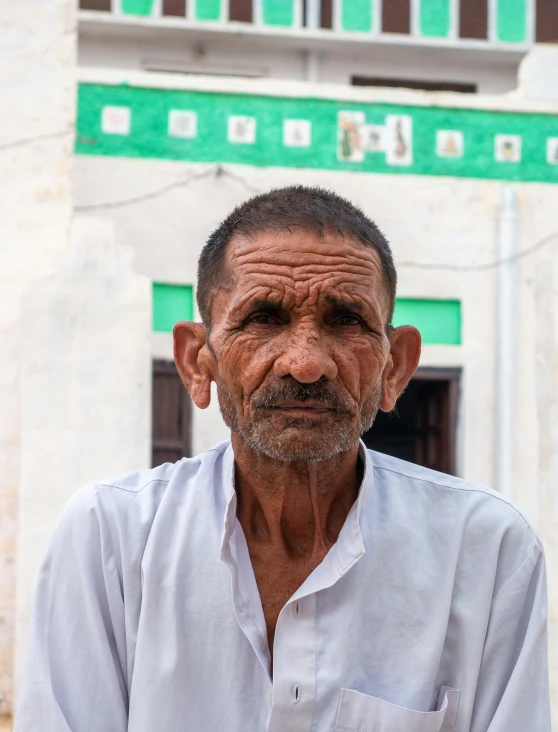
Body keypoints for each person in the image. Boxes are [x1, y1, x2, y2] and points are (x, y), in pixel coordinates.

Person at [15, 186, 550, 731]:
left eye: (346, 321)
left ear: (395, 369)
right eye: (263, 318)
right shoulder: (111, 537)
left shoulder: (486, 550)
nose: (305, 363)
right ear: (198, 363)